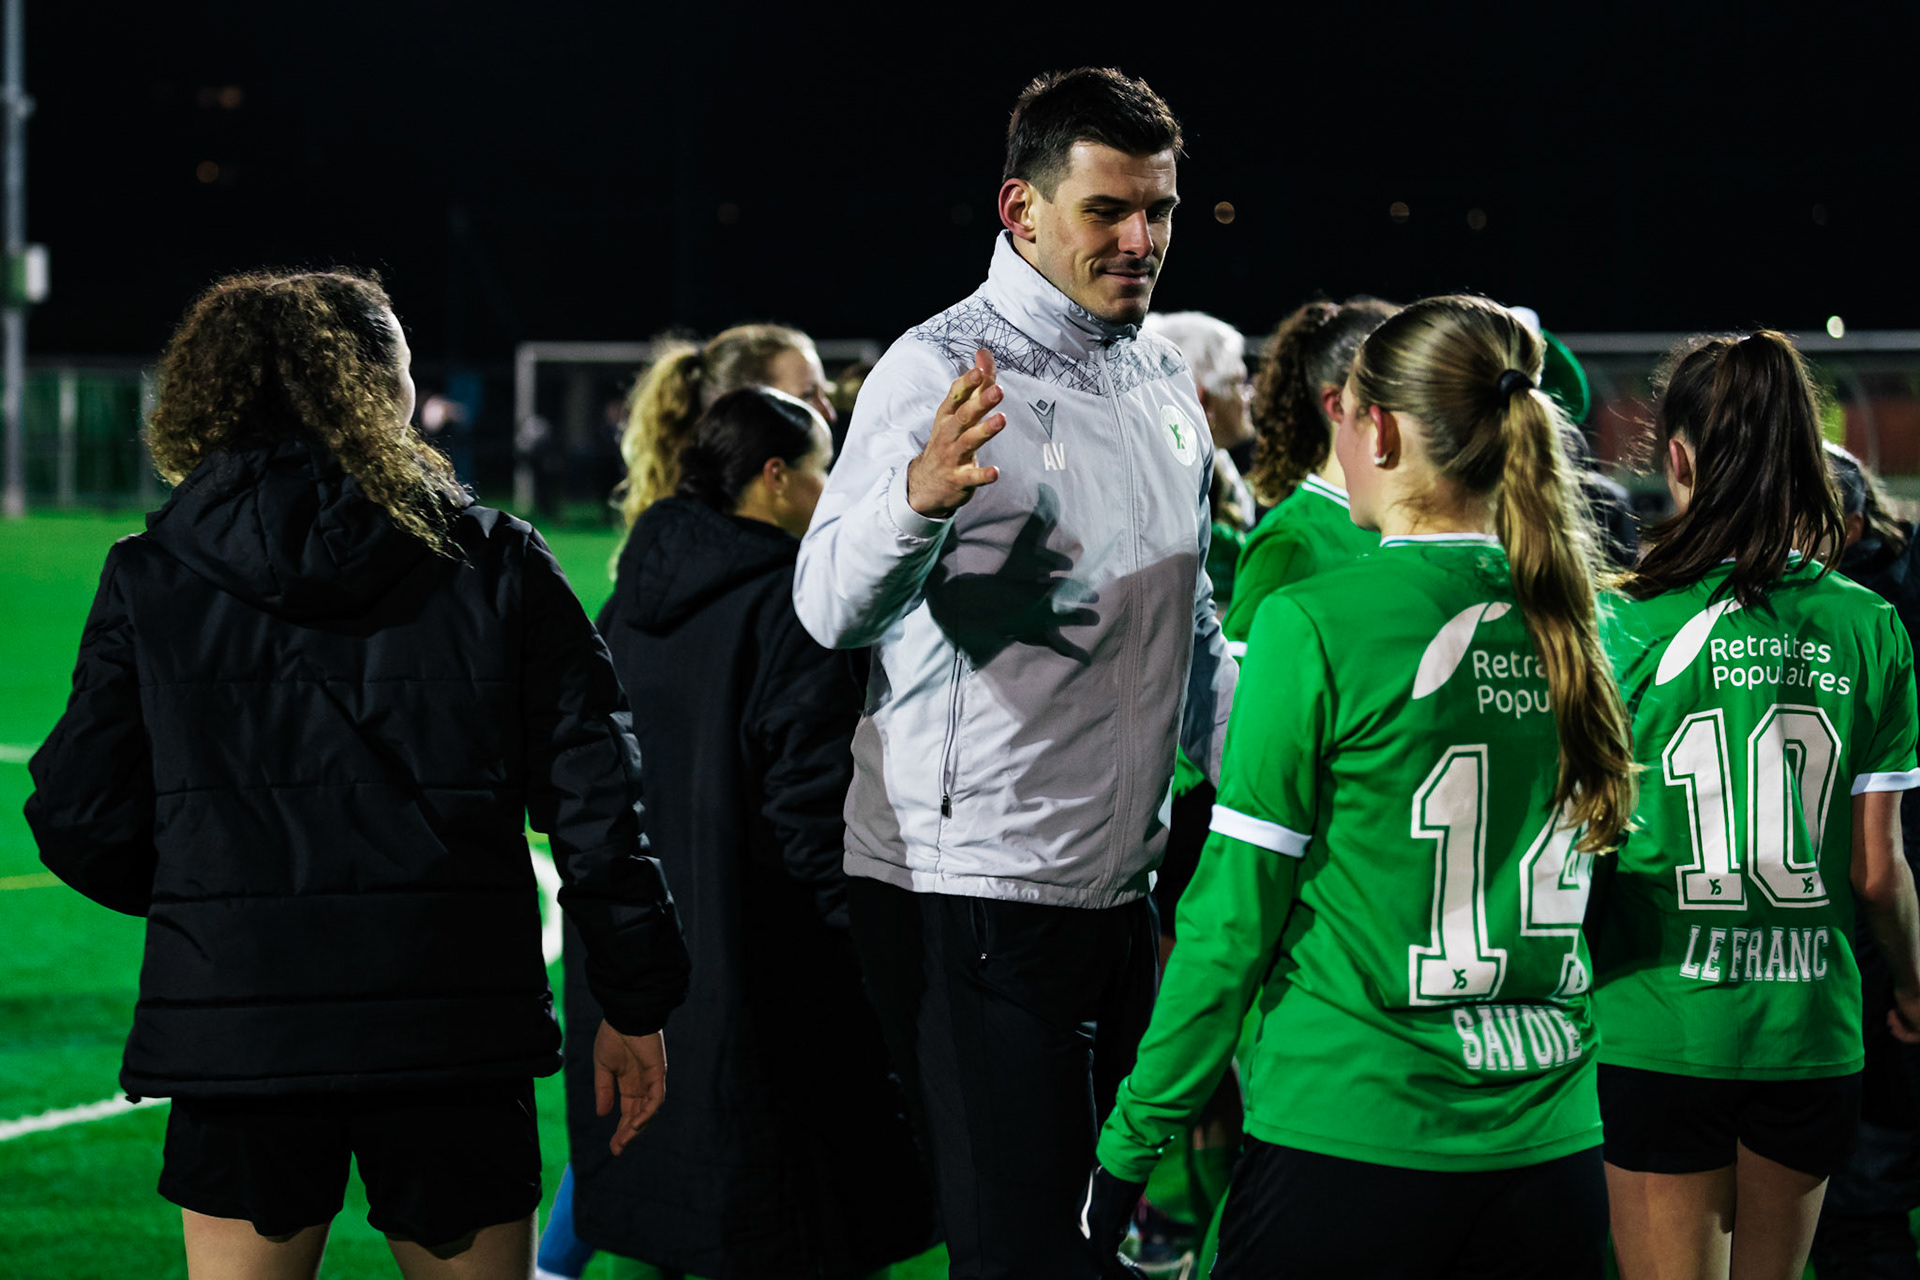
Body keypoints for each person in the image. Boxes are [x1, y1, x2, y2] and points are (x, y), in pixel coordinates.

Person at [22, 269, 691, 1280]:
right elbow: (599, 803)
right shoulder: (499, 561)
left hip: (244, 1019)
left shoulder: (152, 572)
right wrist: (637, 998)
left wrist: (218, 895)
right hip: (451, 1024)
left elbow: (76, 810)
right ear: (376, 388)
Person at [1087, 294, 1635, 1278]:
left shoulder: (1316, 619)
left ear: (1375, 424)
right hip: (1550, 1143)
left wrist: (1132, 1140)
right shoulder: (1587, 626)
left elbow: (1231, 925)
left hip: (1354, 1129)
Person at [792, 67, 1236, 1279]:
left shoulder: (1160, 382)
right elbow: (829, 606)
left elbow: (1187, 633)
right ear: (1021, 210)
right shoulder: (933, 369)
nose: (1142, 239)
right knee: (1021, 1249)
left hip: (1116, 886)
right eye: (1109, 210)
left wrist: (1284, 763)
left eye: (1161, 210)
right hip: (973, 887)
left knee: (1093, 1241)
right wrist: (914, 500)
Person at [561, 388, 937, 1279]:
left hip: (653, 985)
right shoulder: (794, 606)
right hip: (776, 1004)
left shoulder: (626, 603)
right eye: (822, 469)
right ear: (774, 480)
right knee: (799, 1236)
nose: (837, 487)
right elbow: (815, 821)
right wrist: (894, 957)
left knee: (666, 1227)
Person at [1587, 332, 1920, 1280]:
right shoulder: (1868, 623)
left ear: (1677, 456)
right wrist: (1912, 985)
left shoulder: (1620, 621)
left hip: (1657, 1019)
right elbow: (1877, 869)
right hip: (1807, 1029)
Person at [1812, 445, 1920, 1277]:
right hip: (1886, 930)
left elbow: (1877, 860)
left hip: (1878, 945)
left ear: (1848, 523)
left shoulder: (1855, 620)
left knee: (1863, 1200)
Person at [1222, 296, 1398, 654]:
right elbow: (1242, 694)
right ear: (1337, 405)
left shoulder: (1411, 521)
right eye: (1402, 386)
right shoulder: (1289, 544)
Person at [617, 324, 837, 528]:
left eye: (824, 394)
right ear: (742, 407)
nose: (829, 414)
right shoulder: (726, 548)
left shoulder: (678, 530)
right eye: (807, 395)